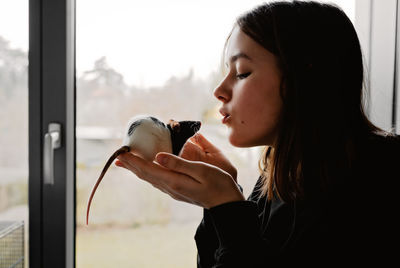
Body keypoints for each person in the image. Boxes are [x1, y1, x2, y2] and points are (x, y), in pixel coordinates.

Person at [116, 1, 400, 266]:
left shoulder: (382, 177)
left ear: (303, 79)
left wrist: (225, 206)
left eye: (241, 73)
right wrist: (220, 202)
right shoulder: (280, 175)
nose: (219, 90)